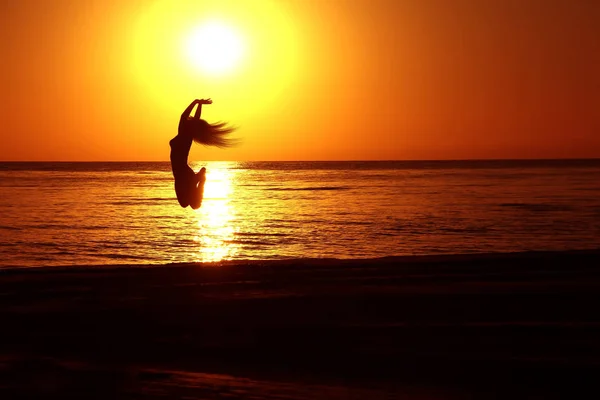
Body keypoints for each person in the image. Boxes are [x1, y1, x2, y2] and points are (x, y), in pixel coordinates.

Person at [170, 99, 236, 209]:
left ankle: (199, 179)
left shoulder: (185, 136)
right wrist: (199, 104)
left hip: (182, 173)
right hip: (182, 172)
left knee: (186, 203)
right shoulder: (186, 136)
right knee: (187, 204)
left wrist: (196, 102)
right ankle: (198, 179)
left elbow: (185, 116)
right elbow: (191, 119)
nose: (185, 121)